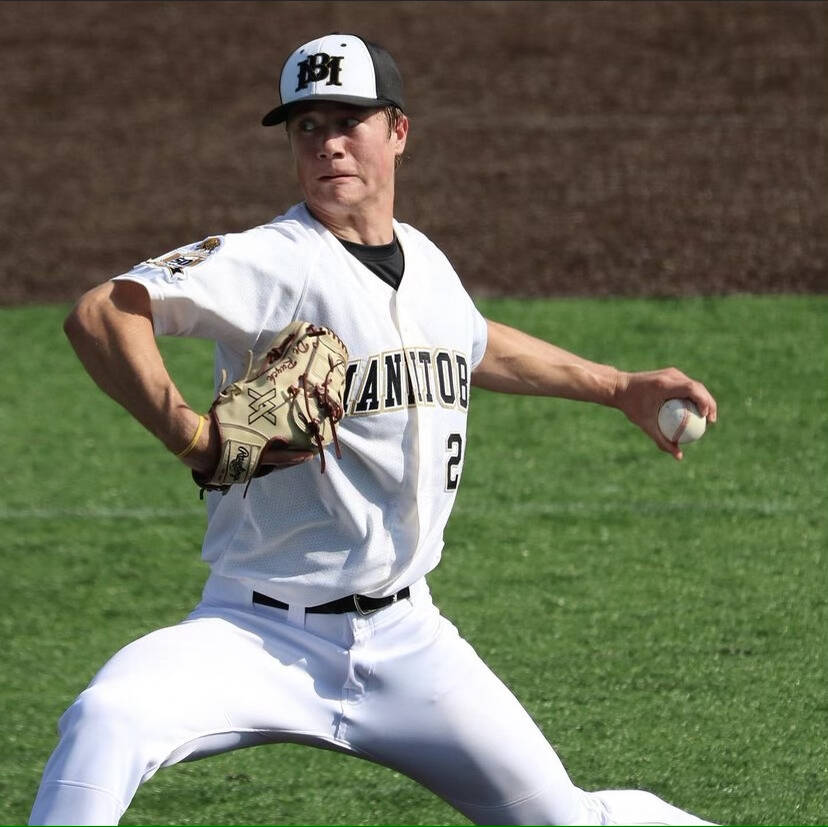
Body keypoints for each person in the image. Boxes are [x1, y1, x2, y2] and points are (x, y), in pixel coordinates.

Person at [30, 33, 718, 826]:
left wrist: (619, 387)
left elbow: (473, 342)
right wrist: (191, 435)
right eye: (307, 127)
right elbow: (102, 312)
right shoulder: (275, 259)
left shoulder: (424, 261)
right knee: (108, 717)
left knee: (564, 818)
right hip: (256, 632)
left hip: (408, 642)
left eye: (348, 121)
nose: (327, 144)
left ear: (398, 131)